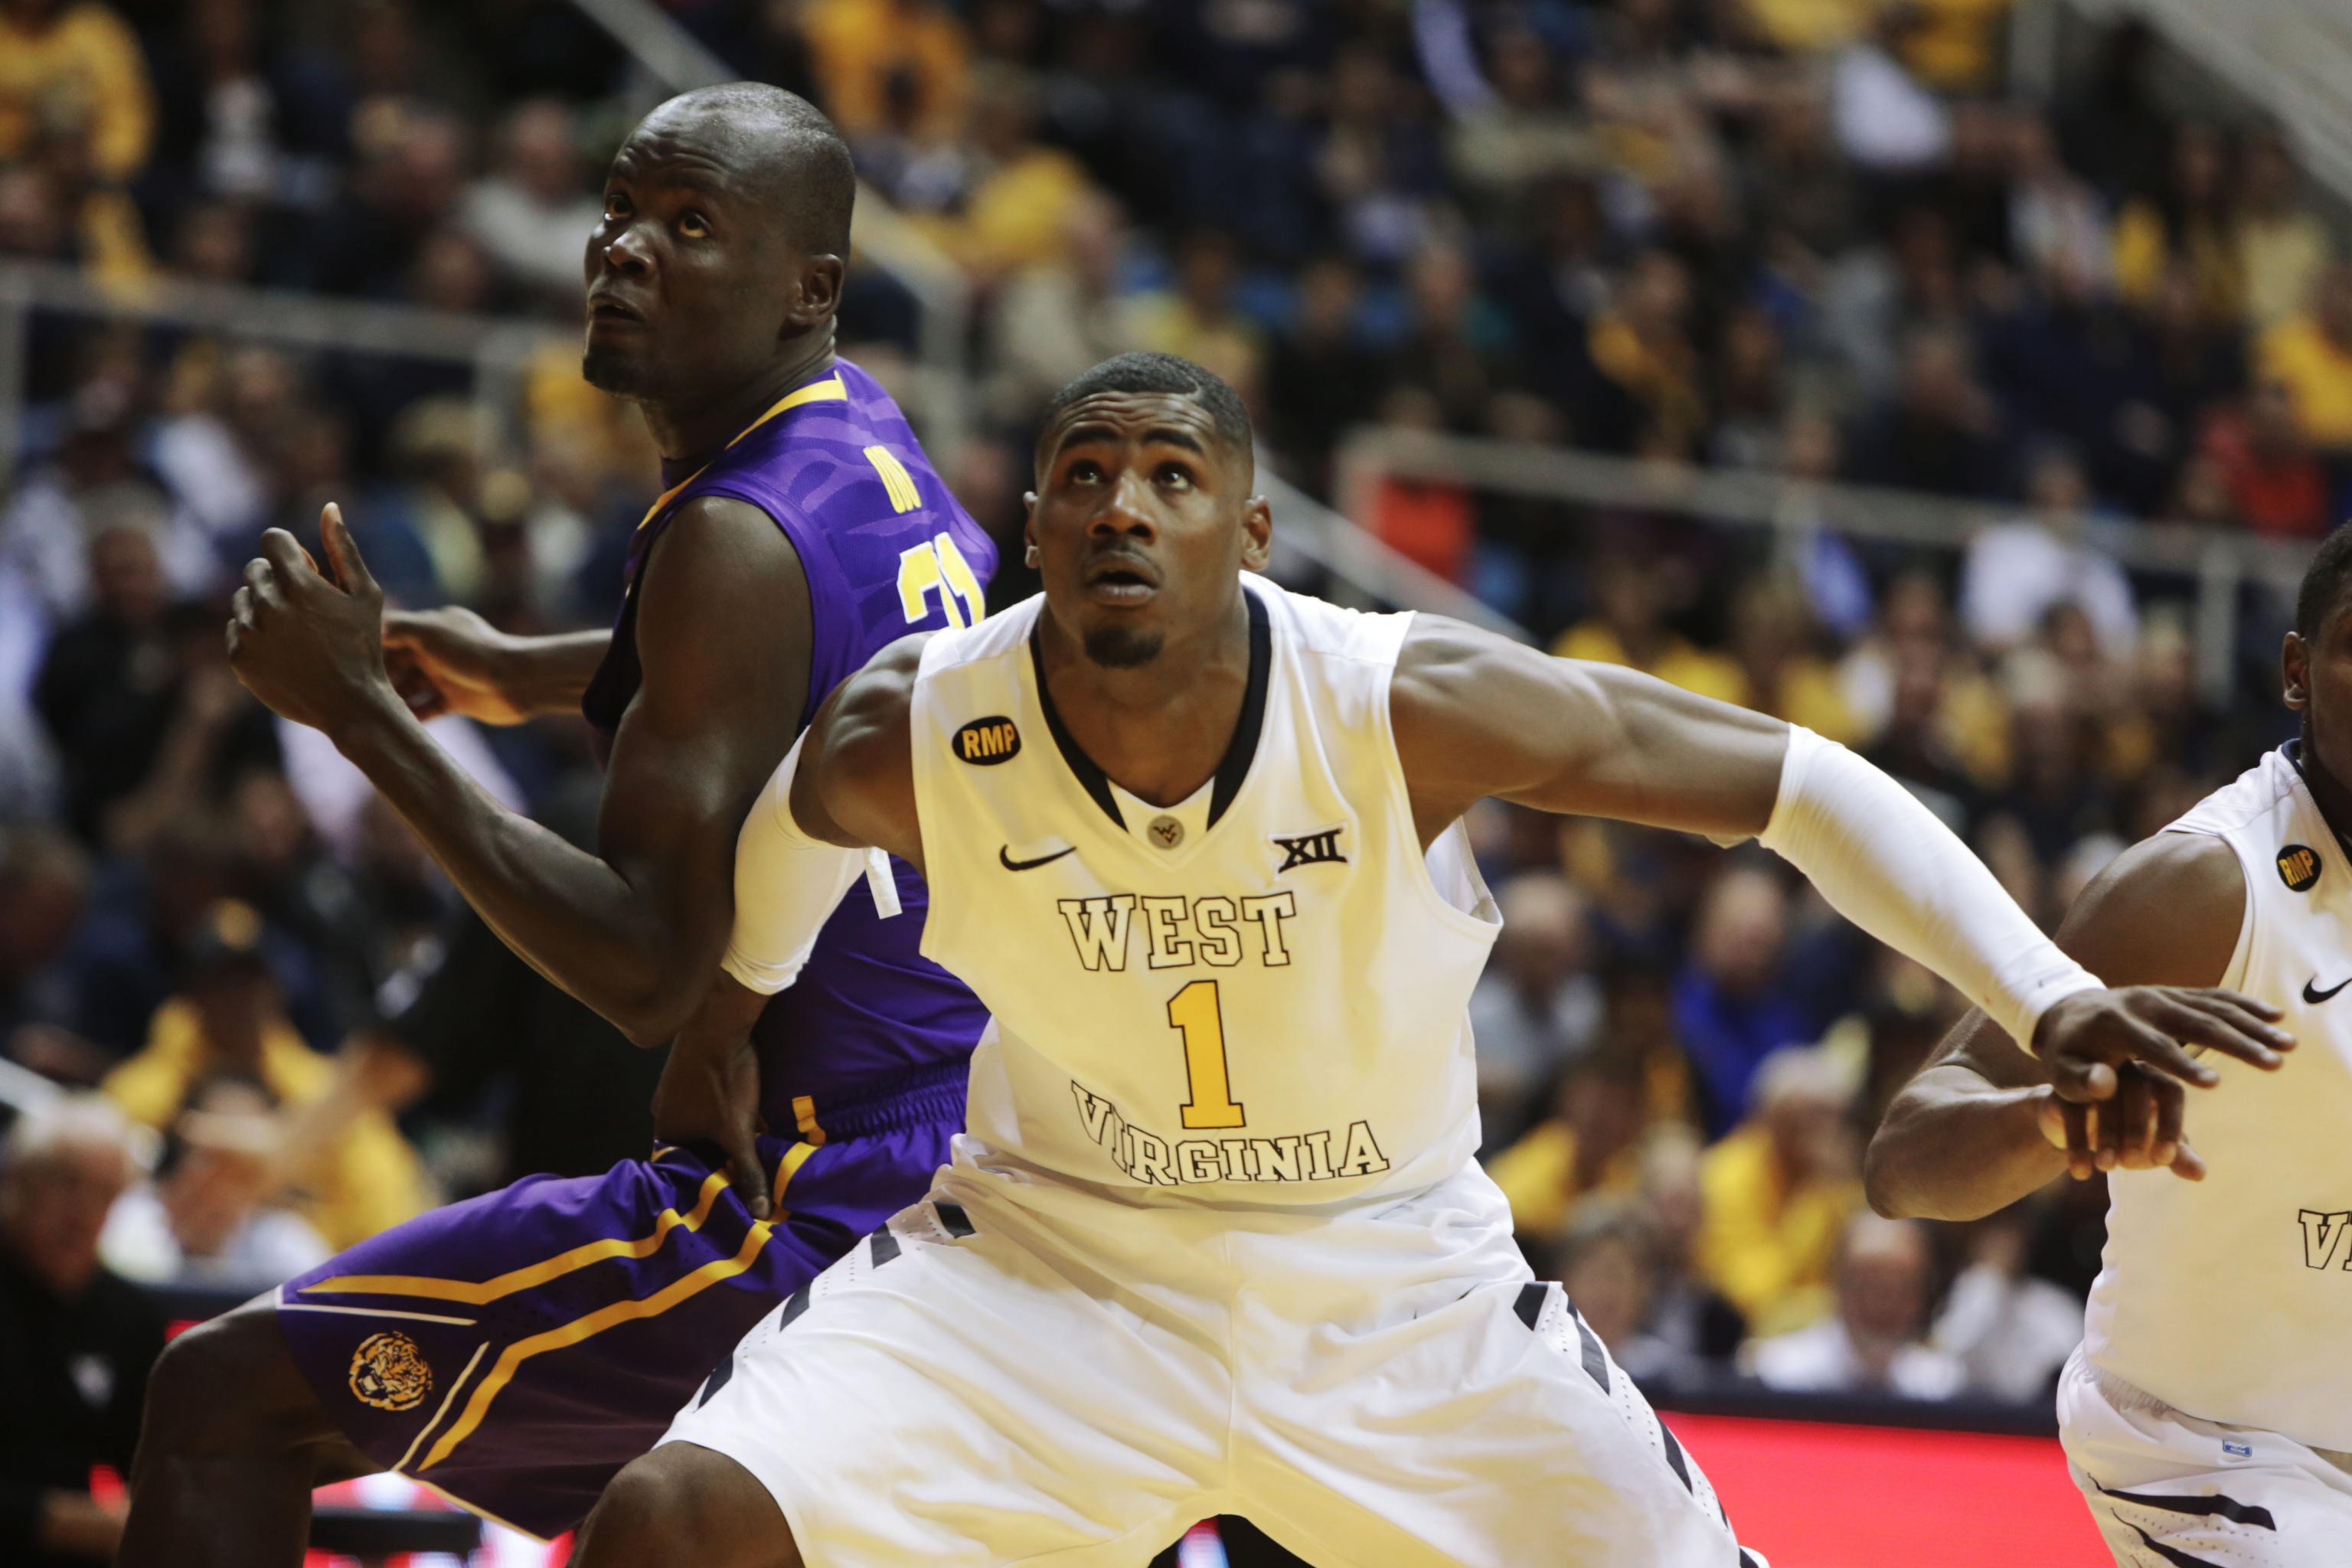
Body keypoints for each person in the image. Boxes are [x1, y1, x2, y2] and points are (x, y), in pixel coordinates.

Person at [578, 351, 2285, 1568]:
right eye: (1086, 475)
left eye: (1174, 477)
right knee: (675, 1524)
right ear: (1031, 530)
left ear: (1252, 533)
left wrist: (2051, 996)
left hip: (1399, 1286)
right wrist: (723, 1025)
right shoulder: (926, 725)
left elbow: (1801, 783)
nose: (1124, 507)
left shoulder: (1397, 701)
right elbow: (795, 835)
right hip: (1048, 1265)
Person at [116, 83, 997, 1561]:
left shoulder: (728, 536)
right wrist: (508, 672)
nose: (625, 250)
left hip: (811, 1192)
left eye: (691, 224)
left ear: (809, 288)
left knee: (219, 1399)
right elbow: (785, 671)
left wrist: (361, 714)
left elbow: (649, 972)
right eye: (620, 211)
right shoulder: (859, 438)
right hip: (961, 1134)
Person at [1869, 524, 2352, 1564]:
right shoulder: (2203, 890)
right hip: (2201, 1451)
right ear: (2298, 673)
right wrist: (2055, 1121)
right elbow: (1904, 1158)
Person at [0, 1095, 162, 1566]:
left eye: (106, 1193)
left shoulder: (130, 1316)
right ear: (16, 1178)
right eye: (67, 1183)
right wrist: (54, 1521)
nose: (84, 1213)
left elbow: (152, 1464)